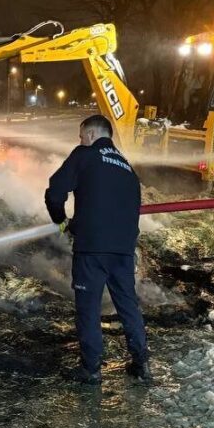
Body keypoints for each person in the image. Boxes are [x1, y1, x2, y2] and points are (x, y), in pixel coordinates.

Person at [44, 114, 151, 385]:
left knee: (88, 309)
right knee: (128, 306)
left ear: (91, 135)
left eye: (81, 136)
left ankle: (91, 369)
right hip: (123, 250)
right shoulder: (129, 169)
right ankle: (142, 364)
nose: (80, 141)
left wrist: (61, 221)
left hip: (92, 249)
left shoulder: (85, 154)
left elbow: (55, 191)